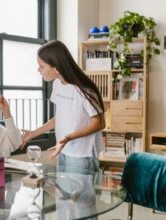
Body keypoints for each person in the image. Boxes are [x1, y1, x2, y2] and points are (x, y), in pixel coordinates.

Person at [22, 40, 105, 173]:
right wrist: (33, 133)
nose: (38, 70)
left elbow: (100, 123)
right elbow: (60, 117)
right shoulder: (57, 84)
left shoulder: (84, 90)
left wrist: (68, 138)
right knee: (63, 194)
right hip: (62, 150)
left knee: (80, 194)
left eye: (42, 66)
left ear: (56, 68)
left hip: (81, 155)